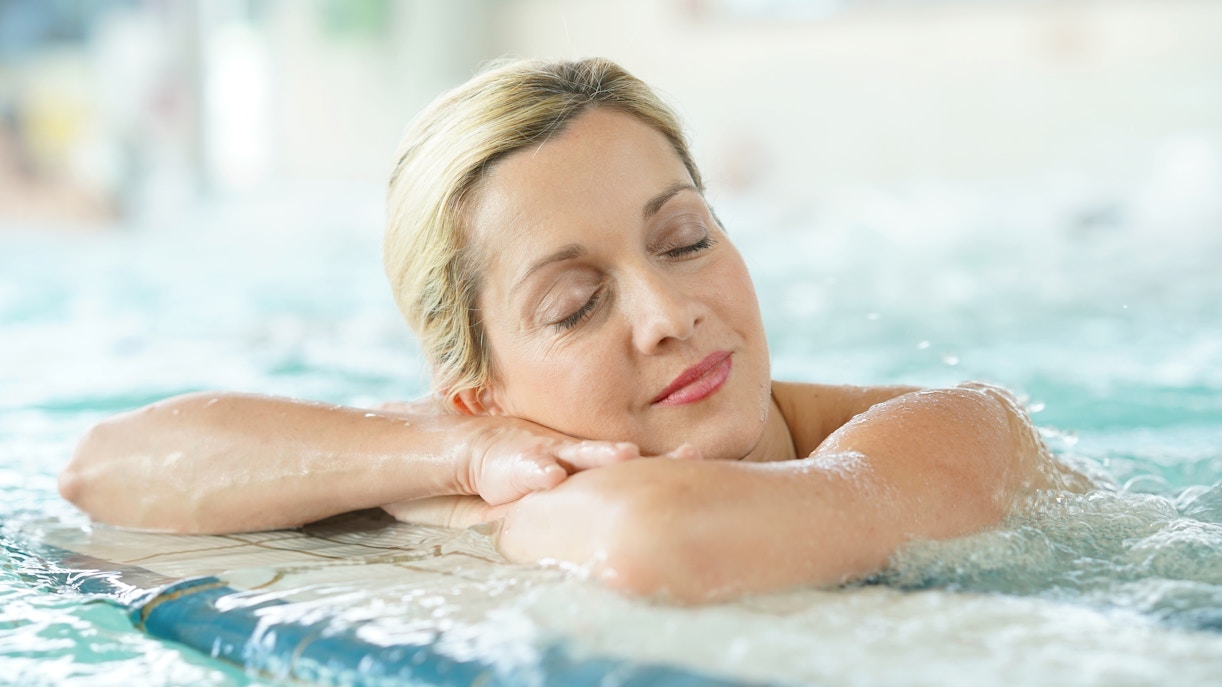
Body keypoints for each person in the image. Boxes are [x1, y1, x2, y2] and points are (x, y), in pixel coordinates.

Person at [58, 57, 1080, 603]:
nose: (668, 314)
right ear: (478, 389)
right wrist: (461, 456)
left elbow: (658, 538)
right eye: (575, 304)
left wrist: (464, 505)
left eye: (684, 239)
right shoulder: (478, 441)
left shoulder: (956, 428)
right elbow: (112, 468)